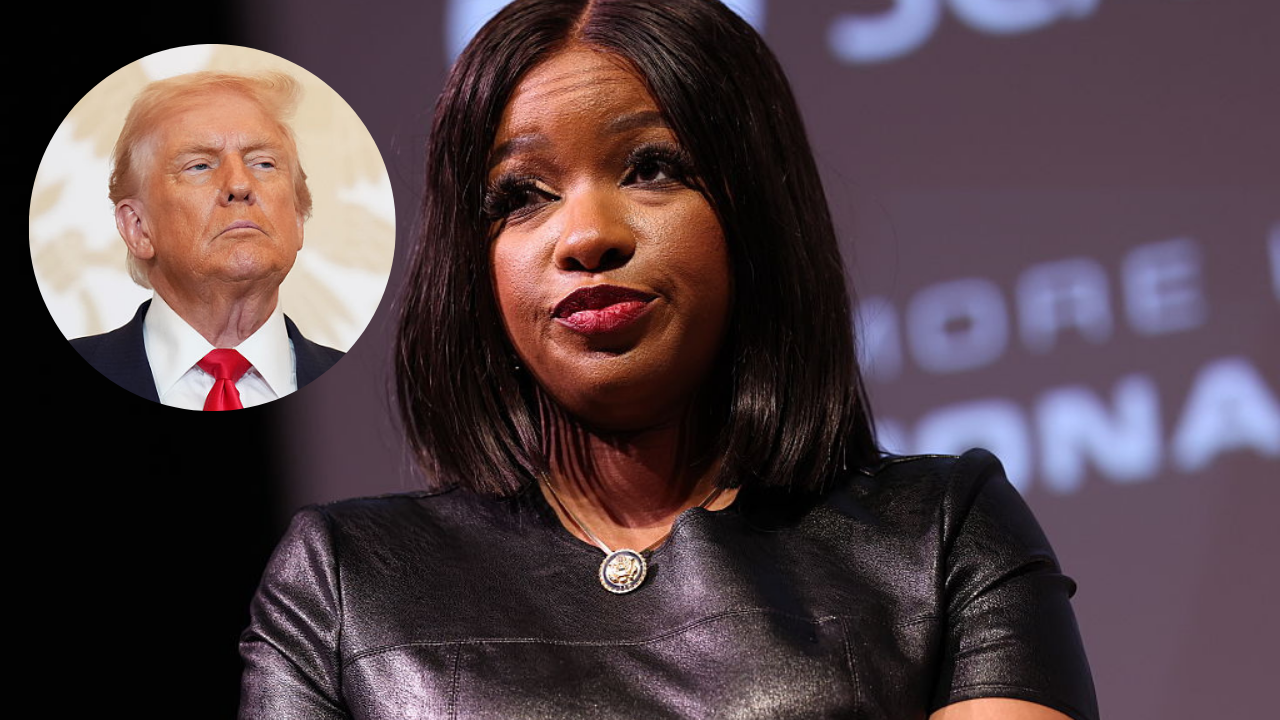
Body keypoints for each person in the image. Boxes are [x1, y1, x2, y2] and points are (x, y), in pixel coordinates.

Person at [240, 1, 1099, 717]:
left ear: (755, 210)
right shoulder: (344, 583)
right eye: (522, 195)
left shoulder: (944, 535)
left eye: (652, 168)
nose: (585, 236)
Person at [72, 71, 342, 410]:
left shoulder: (372, 389)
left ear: (298, 217)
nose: (240, 185)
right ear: (138, 227)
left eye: (263, 163)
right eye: (199, 166)